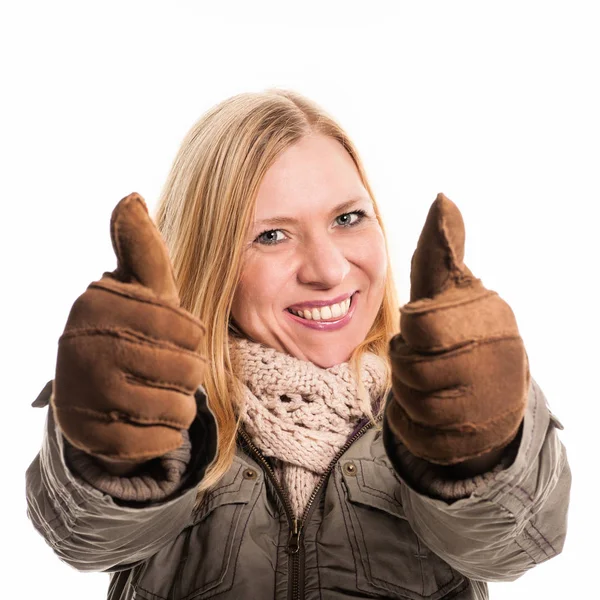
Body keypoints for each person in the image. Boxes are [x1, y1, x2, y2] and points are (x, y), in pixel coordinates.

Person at [25, 89, 571, 600]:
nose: (329, 270)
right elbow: (86, 536)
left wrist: (483, 448)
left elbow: (511, 544)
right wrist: (115, 444)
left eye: (348, 218)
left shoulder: (441, 401)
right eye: (271, 235)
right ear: (210, 258)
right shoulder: (174, 420)